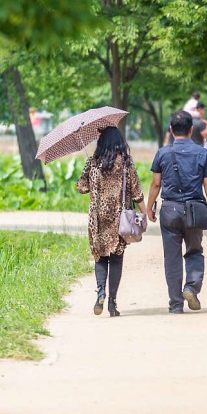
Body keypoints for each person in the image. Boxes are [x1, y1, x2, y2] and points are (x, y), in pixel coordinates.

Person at [146, 111, 207, 313]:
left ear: (171, 130)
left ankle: (175, 304)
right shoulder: (202, 153)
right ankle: (191, 287)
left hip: (169, 209)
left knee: (172, 257)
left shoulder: (162, 153)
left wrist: (150, 206)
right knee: (195, 251)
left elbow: (155, 184)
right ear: (191, 130)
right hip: (195, 209)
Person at [77, 126, 147, 318]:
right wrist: (145, 214)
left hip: (97, 218)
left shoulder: (93, 162)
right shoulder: (125, 163)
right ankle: (112, 303)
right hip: (119, 217)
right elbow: (136, 191)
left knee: (100, 256)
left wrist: (90, 176)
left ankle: (100, 292)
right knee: (116, 258)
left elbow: (81, 187)